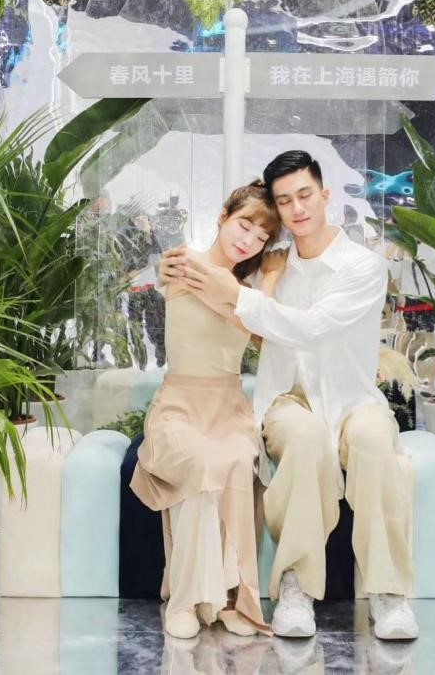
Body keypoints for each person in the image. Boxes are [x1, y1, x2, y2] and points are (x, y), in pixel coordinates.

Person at [162, 150, 418, 641]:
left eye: (305, 195)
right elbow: (219, 285)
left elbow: (311, 327)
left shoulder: (362, 267)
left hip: (352, 397)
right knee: (303, 438)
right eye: (284, 201)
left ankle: (389, 594)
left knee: (373, 440)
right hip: (287, 398)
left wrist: (236, 295)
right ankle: (296, 588)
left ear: (324, 195)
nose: (297, 208)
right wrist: (177, 265)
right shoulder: (271, 268)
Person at [130, 181, 282, 640]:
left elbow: (270, 339)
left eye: (261, 237)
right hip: (179, 407)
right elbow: (247, 316)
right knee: (200, 464)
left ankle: (231, 600)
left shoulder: (246, 292)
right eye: (244, 225)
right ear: (222, 217)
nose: (249, 240)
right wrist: (263, 288)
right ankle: (186, 599)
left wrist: (261, 289)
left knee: (236, 462)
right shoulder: (185, 265)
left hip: (230, 410)